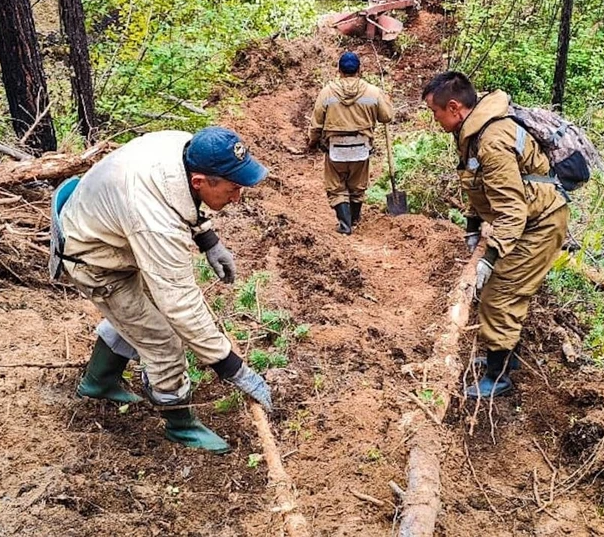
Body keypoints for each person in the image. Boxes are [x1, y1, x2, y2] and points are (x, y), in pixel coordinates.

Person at [49, 127, 273, 454]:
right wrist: (232, 367)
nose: (237, 197)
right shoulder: (153, 220)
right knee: (163, 340)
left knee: (137, 316)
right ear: (201, 181)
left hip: (107, 228)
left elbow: (182, 200)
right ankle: (180, 426)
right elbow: (180, 304)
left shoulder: (185, 148)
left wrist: (208, 239)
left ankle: (98, 382)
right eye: (234, 188)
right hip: (94, 260)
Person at [422, 71, 569, 399]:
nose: (434, 119)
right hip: (527, 219)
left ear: (455, 107)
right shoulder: (471, 132)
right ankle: (503, 359)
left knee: (499, 295)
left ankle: (499, 376)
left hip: (540, 223)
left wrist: (489, 257)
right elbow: (480, 187)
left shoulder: (492, 140)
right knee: (500, 291)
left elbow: (512, 211)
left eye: (435, 112)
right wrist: (474, 228)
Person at [307, 51, 394, 234]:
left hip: (335, 148)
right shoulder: (373, 91)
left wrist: (313, 141)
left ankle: (345, 224)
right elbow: (387, 116)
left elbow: (317, 124)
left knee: (336, 185)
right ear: (359, 70)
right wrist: (385, 100)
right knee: (357, 185)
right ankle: (354, 219)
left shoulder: (327, 92)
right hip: (361, 147)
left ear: (338, 70)